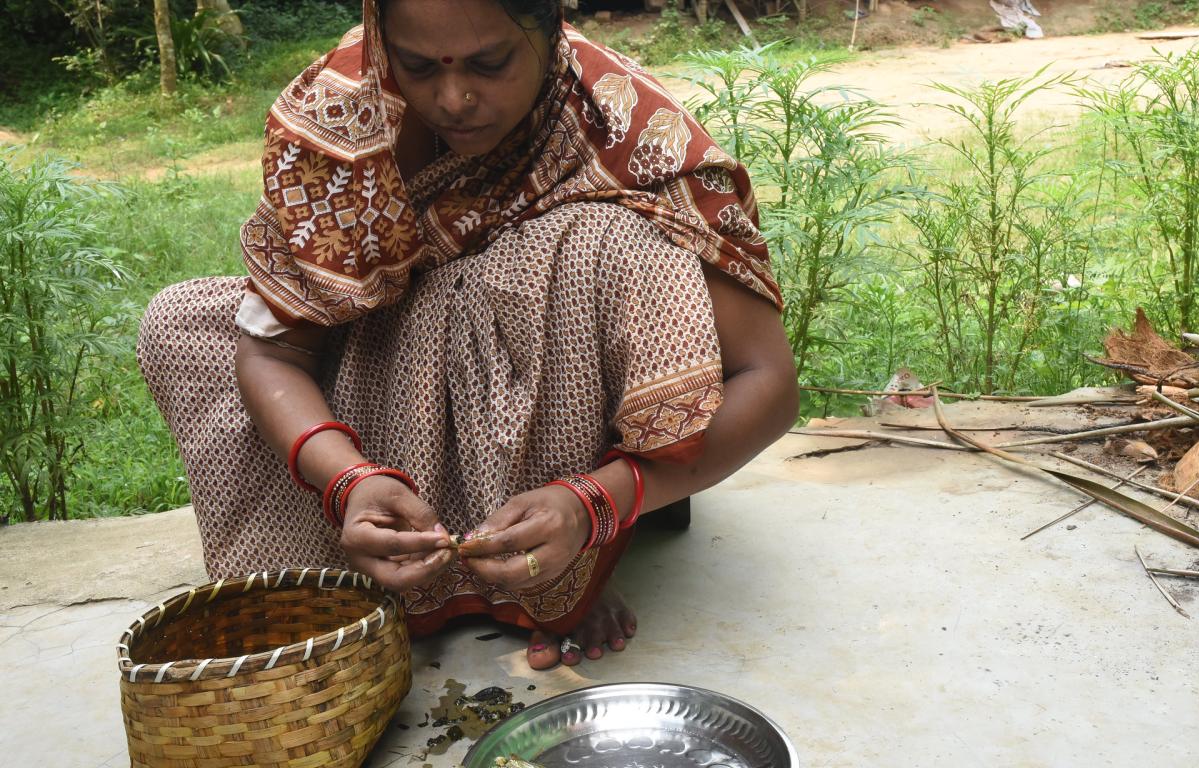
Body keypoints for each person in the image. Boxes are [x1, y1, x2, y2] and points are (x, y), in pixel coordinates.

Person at [138, 0, 798, 670]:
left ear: (551, 33)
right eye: (419, 66)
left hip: (580, 434)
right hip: (389, 379)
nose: (453, 99)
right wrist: (347, 481)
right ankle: (401, 565)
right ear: (380, 42)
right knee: (181, 328)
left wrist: (596, 504)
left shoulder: (628, 133)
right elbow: (273, 350)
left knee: (601, 246)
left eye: (491, 63)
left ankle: (562, 566)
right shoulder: (339, 122)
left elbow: (767, 381)